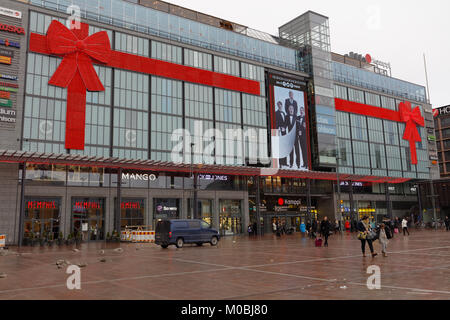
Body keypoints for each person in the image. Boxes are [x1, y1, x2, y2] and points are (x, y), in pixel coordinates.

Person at [286, 104, 301, 169]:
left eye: (292, 108)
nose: (291, 110)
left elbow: (298, 126)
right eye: (290, 108)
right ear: (288, 110)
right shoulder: (286, 117)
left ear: (293, 109)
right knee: (291, 151)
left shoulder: (296, 117)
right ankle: (291, 164)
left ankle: (298, 164)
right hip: (289, 137)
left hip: (295, 137)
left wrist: (299, 132)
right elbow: (285, 124)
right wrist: (283, 127)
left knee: (297, 151)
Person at [275, 101, 288, 168]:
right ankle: (280, 163)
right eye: (278, 105)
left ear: (282, 105)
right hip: (279, 131)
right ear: (277, 105)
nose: (279, 106)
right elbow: (276, 122)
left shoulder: (283, 113)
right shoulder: (276, 113)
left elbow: (285, 122)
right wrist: (280, 128)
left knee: (284, 147)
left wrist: (285, 127)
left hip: (284, 131)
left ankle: (284, 162)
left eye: (280, 104)